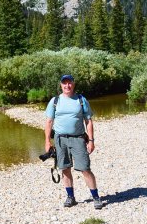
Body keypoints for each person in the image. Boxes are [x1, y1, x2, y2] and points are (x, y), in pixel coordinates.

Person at [44, 74, 104, 209]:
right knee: (65, 168)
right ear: (61, 85)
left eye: (69, 83)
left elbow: (88, 121)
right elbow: (48, 122)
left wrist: (91, 140)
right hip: (60, 139)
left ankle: (96, 197)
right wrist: (47, 141)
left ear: (73, 84)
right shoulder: (55, 101)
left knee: (85, 168)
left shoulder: (81, 100)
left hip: (78, 139)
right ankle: (70, 197)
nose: (67, 86)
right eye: (64, 83)